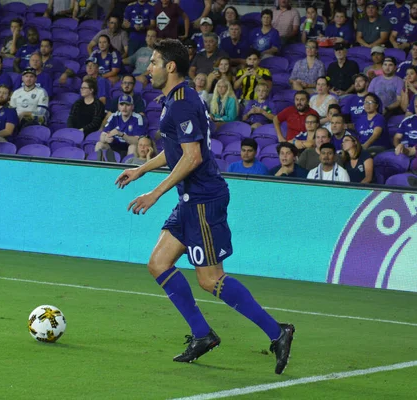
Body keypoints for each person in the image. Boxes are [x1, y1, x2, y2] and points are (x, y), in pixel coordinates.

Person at [114, 39, 295, 373]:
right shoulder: (174, 100)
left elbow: (193, 156)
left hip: (204, 200)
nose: (148, 68)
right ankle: (202, 334)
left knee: (211, 280)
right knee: (158, 263)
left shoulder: (182, 102)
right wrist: (140, 169)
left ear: (170, 66)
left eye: (153, 62)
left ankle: (277, 332)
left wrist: (154, 193)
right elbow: (175, 151)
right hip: (188, 200)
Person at [96, 94, 145, 159]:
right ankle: (98, 168)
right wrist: (106, 139)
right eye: (122, 105)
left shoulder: (137, 118)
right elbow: (102, 136)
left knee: (133, 147)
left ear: (132, 107)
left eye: (127, 105)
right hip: (113, 147)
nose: (124, 108)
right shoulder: (114, 116)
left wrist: (121, 134)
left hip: (128, 147)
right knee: (99, 144)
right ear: (118, 107)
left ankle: (128, 168)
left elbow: (137, 141)